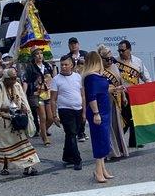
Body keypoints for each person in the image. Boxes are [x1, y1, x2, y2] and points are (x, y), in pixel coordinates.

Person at [0, 68, 39, 176]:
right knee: (7, 145)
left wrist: (23, 108)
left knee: (21, 143)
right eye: (11, 79)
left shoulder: (16, 86)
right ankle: (9, 166)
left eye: (14, 79)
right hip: (1, 122)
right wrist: (8, 109)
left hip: (15, 120)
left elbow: (22, 100)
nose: (13, 81)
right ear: (5, 79)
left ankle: (26, 166)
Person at [83, 51, 120, 183]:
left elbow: (101, 90)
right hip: (98, 112)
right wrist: (96, 113)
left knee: (104, 139)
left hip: (103, 111)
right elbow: (92, 96)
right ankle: (98, 171)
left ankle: (102, 169)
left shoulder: (95, 76)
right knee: (99, 140)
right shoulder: (91, 77)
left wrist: (114, 89)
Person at [51, 55, 85, 170]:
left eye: (66, 64)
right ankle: (77, 159)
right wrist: (54, 115)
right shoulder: (56, 79)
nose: (64, 67)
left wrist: (84, 112)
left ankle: (67, 156)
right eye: (62, 65)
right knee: (71, 133)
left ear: (71, 65)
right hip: (65, 110)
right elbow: (53, 99)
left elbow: (82, 95)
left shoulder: (77, 77)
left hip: (78, 109)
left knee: (71, 133)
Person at [115, 39, 151, 148]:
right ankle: (118, 142)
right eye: (119, 51)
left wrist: (149, 88)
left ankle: (134, 141)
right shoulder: (115, 62)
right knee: (124, 118)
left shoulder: (138, 61)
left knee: (135, 118)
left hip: (135, 94)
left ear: (129, 49)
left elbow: (146, 77)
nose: (121, 53)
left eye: (123, 50)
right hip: (121, 95)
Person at [97, 45, 129, 160]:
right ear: (101, 59)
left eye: (111, 58)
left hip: (116, 100)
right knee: (107, 126)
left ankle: (120, 149)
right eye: (107, 59)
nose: (110, 61)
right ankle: (110, 152)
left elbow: (120, 82)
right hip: (104, 100)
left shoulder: (115, 66)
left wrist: (124, 96)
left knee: (117, 125)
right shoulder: (98, 70)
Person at [23, 47, 55, 146]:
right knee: (43, 117)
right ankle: (45, 138)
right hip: (37, 95)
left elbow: (52, 78)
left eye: (41, 53)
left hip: (47, 94)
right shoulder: (30, 67)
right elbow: (26, 81)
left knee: (50, 118)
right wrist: (23, 94)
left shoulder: (47, 66)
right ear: (33, 56)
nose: (40, 55)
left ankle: (43, 131)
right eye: (37, 54)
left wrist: (53, 67)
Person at [66, 37, 88, 142]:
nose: (73, 46)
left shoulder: (85, 54)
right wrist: (74, 64)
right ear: (69, 46)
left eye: (75, 43)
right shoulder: (67, 57)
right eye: (71, 44)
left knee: (84, 108)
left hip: (85, 84)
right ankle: (79, 132)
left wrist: (84, 62)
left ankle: (81, 131)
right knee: (77, 109)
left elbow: (91, 66)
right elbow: (66, 70)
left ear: (78, 44)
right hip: (73, 86)